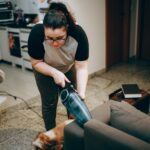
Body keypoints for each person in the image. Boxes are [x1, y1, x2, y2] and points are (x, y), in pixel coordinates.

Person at [28, 2, 89, 131]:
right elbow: (36, 62)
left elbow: (82, 66)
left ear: (66, 28)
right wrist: (54, 73)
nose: (55, 44)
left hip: (68, 67)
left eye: (60, 38)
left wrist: (81, 94)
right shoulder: (36, 33)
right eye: (49, 38)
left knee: (74, 102)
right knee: (49, 103)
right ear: (44, 29)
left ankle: (74, 133)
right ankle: (51, 134)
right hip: (44, 68)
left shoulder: (78, 34)